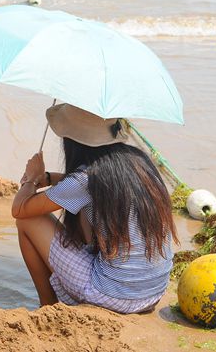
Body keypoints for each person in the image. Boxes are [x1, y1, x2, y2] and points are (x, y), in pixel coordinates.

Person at [12, 104, 177, 314]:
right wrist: (48, 178)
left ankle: (47, 306)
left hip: (115, 296)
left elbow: (19, 209)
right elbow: (98, 189)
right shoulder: (137, 161)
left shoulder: (86, 179)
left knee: (28, 221)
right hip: (152, 293)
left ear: (72, 142)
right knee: (84, 210)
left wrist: (30, 179)